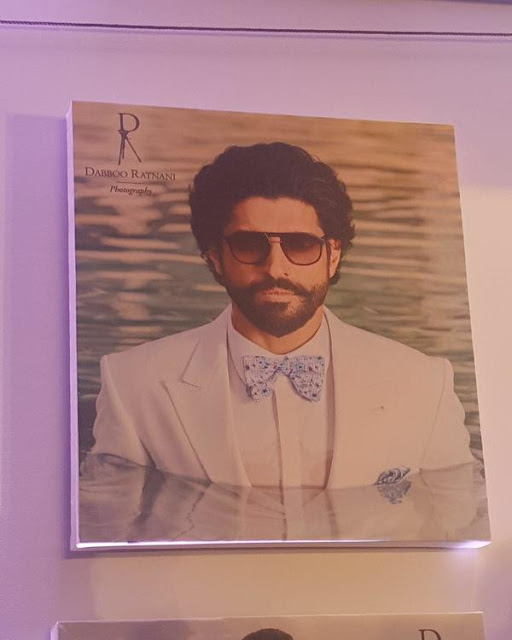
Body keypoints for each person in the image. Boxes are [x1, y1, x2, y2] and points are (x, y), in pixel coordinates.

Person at [89, 142, 474, 490]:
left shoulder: (424, 385)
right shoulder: (133, 385)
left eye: (300, 244)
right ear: (215, 258)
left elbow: (457, 518)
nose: (275, 267)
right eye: (248, 244)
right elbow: (109, 521)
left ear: (332, 256)